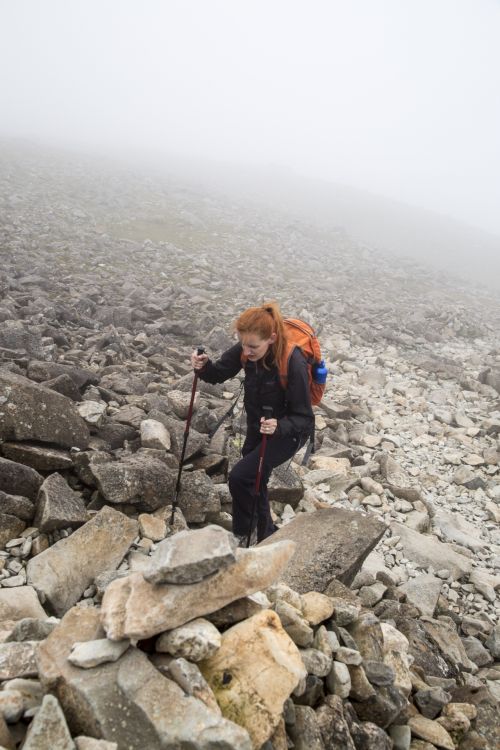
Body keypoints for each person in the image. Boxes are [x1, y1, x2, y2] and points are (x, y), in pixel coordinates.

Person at [191, 301, 314, 543]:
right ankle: (265, 533)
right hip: (259, 427)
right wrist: (202, 367)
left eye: (253, 347)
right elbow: (217, 374)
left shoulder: (293, 361)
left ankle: (242, 534)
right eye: (243, 343)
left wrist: (280, 426)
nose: (246, 352)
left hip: (288, 434)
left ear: (272, 338)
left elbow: (304, 417)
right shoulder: (246, 347)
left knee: (241, 477)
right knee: (255, 478)